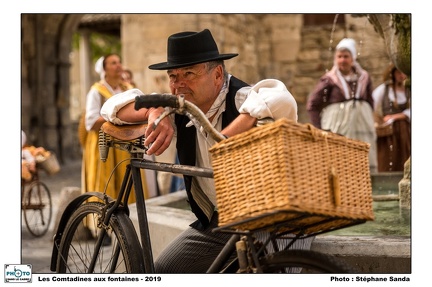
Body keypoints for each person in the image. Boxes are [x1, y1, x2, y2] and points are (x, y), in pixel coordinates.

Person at [101, 29, 313, 273]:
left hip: (275, 218)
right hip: (221, 222)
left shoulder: (242, 99)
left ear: (217, 74)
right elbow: (110, 108)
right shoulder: (181, 109)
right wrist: (154, 111)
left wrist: (235, 130)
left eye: (188, 73)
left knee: (275, 273)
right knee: (163, 271)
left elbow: (282, 97)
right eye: (173, 76)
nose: (178, 84)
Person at [82, 53, 157, 203]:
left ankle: (130, 220)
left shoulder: (128, 89)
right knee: (106, 184)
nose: (118, 66)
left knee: (130, 182)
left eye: (119, 62)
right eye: (113, 63)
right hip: (104, 145)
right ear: (104, 69)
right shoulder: (96, 91)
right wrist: (117, 115)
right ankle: (103, 221)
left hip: (127, 144)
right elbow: (90, 122)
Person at [306, 38, 378, 173]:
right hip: (338, 125)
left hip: (362, 127)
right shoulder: (329, 79)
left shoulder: (364, 78)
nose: (342, 60)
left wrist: (368, 117)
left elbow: (370, 101)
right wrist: (319, 128)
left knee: (364, 158)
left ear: (353, 58)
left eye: (346, 56)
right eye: (339, 57)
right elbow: (313, 104)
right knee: (340, 162)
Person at [372, 64, 411, 172]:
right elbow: (370, 105)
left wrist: (396, 116)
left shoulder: (409, 90)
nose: (401, 75)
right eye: (398, 72)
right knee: (387, 157)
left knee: (405, 156)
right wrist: (377, 120)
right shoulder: (384, 89)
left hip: (405, 131)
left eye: (403, 72)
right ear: (393, 74)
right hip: (388, 131)